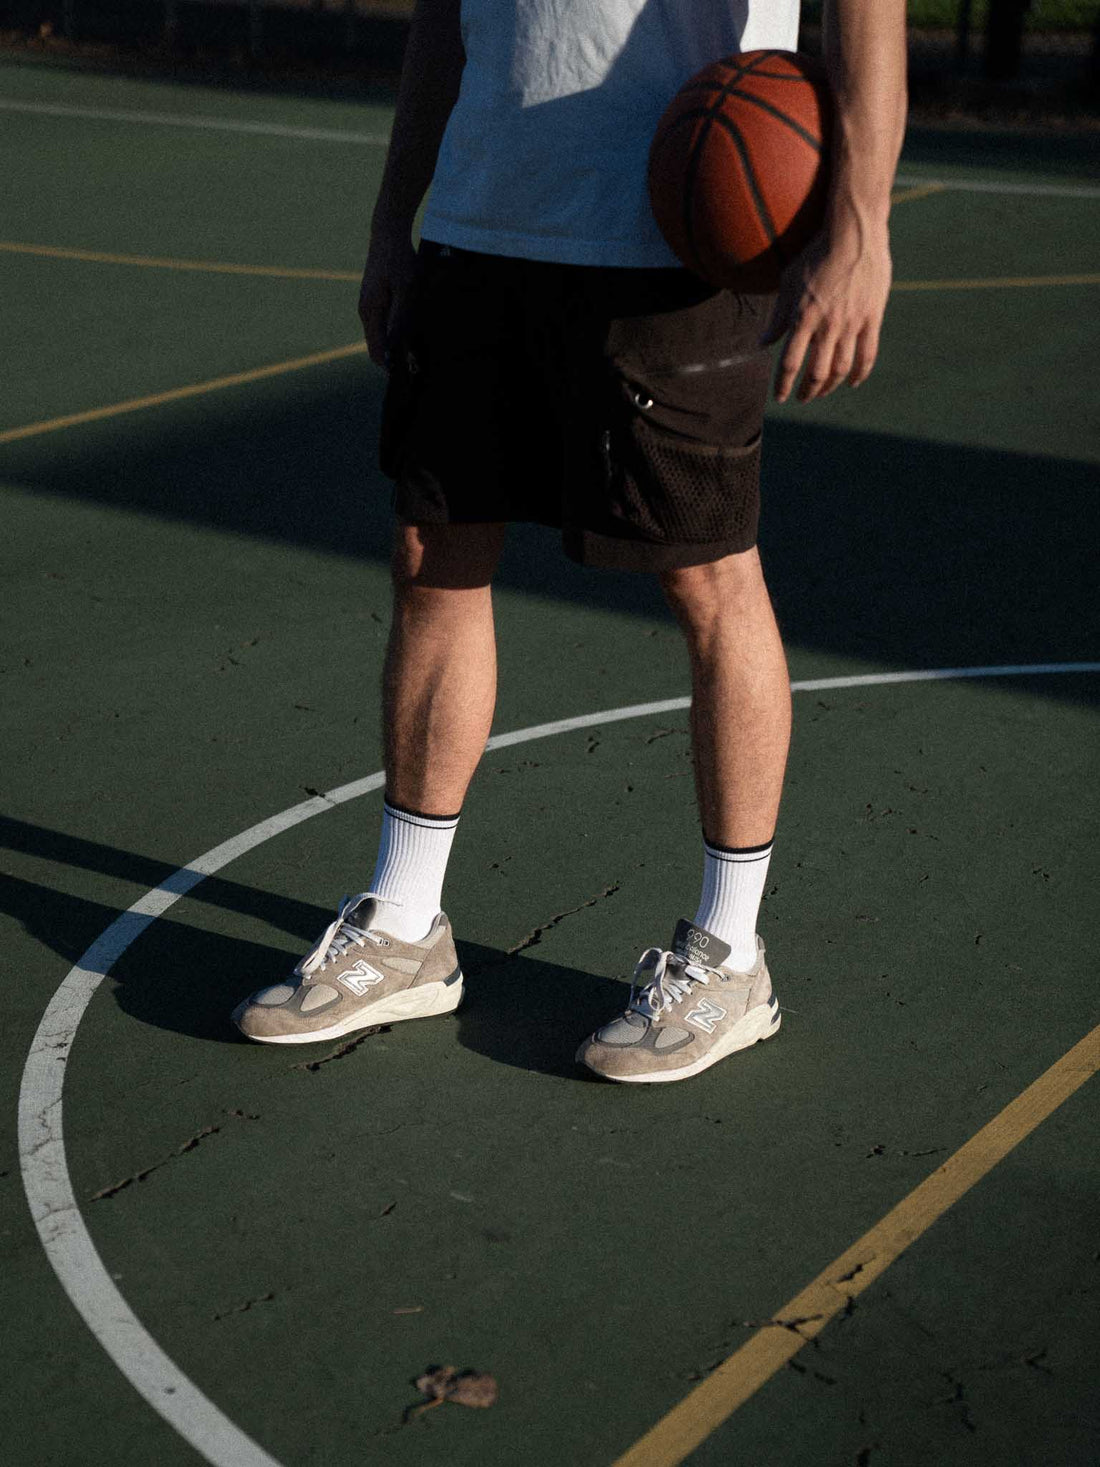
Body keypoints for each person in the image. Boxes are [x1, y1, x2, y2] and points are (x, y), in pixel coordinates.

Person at [233, 0, 907, 1082]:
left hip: (677, 227)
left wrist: (860, 227)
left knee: (708, 577)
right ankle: (405, 925)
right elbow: (441, 18)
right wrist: (393, 218)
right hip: (481, 216)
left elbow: (867, 10)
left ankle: (731, 956)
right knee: (433, 555)